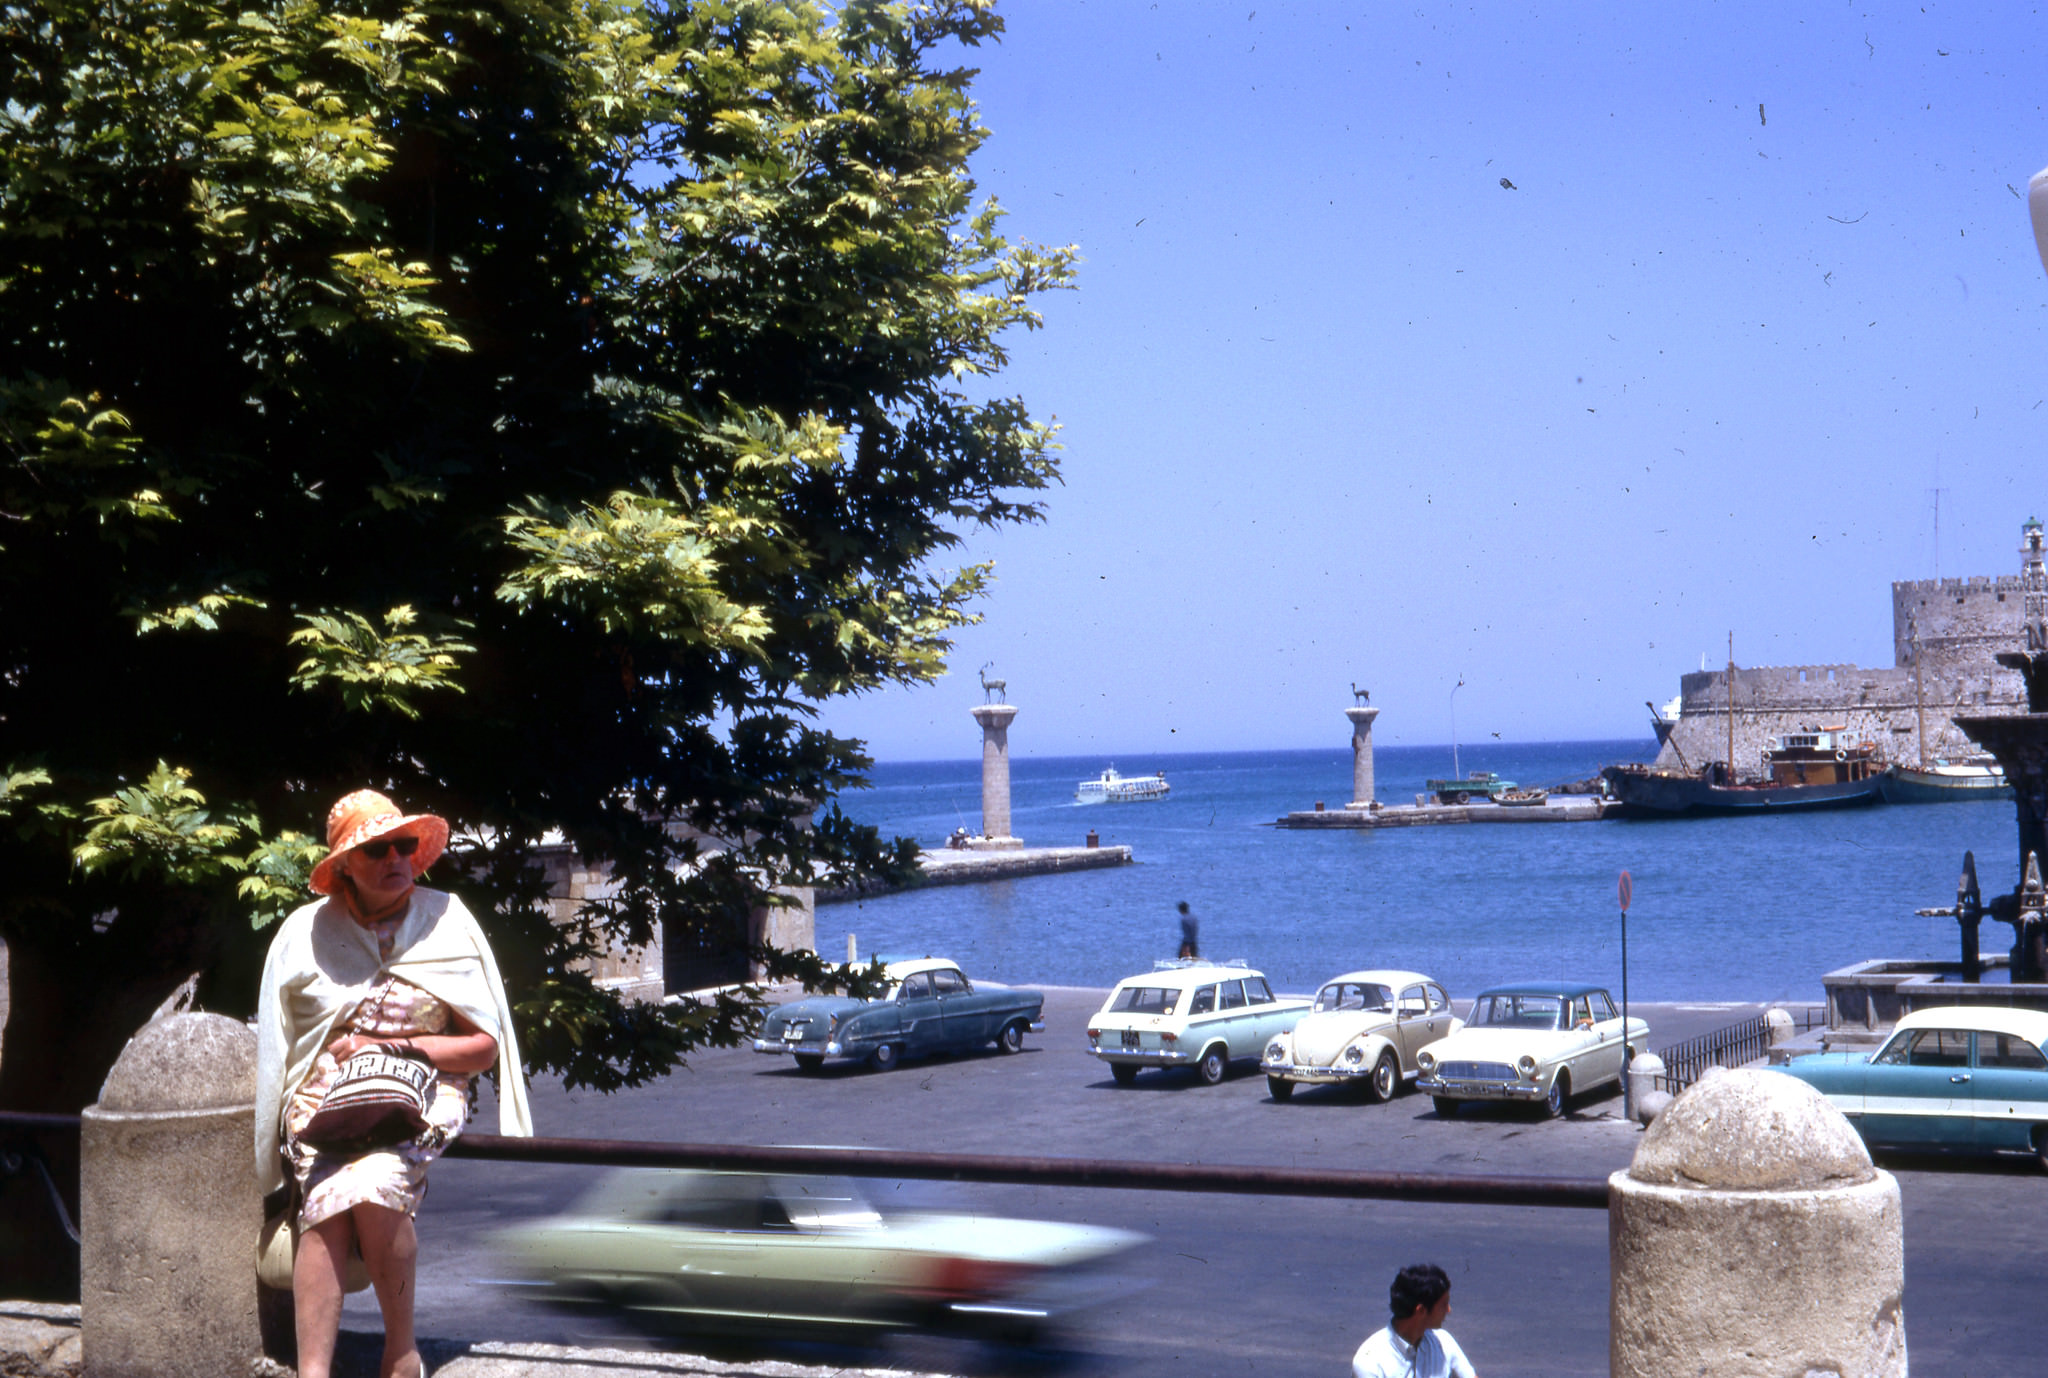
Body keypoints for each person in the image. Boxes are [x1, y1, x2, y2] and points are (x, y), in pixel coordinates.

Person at [256, 790, 534, 1378]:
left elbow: (483, 1047)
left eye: (404, 845)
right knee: (324, 1206)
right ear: (344, 868)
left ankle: (400, 1352)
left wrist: (396, 1047)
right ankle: (314, 1373)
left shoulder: (447, 920)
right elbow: (282, 1047)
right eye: (377, 849)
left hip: (422, 1091)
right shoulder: (304, 932)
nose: (395, 858)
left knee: (378, 1182)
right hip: (325, 1097)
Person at [1350, 1263, 1477, 1378]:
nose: (1449, 1310)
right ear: (1421, 1311)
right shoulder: (1369, 1362)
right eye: (1443, 1304)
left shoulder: (1444, 1343)